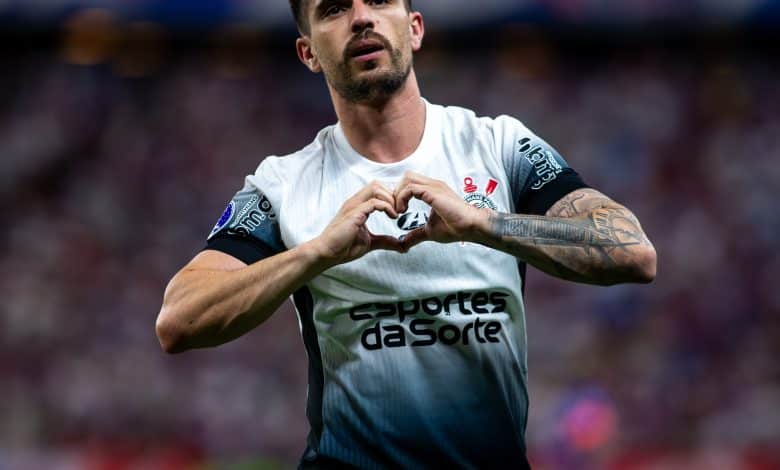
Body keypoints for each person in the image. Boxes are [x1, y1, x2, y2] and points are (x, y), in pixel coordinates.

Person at [155, 0, 657, 468]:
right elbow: (179, 319)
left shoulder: (500, 146)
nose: (360, 18)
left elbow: (633, 252)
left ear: (414, 28)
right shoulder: (283, 184)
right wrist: (317, 253)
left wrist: (484, 224)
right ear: (308, 53)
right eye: (334, 9)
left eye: (378, 0)